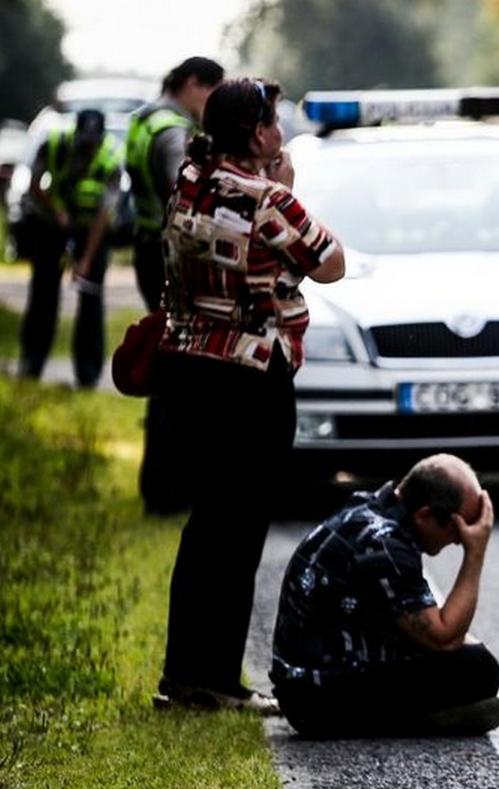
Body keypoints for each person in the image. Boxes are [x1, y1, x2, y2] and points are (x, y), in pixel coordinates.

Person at [152, 78, 346, 714]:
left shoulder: (190, 178)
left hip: (187, 370)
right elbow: (330, 260)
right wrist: (285, 186)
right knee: (239, 531)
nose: (278, 128)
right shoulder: (267, 200)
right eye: (271, 120)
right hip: (251, 376)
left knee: (206, 522)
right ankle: (215, 683)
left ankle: (183, 674)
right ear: (259, 133)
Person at [270, 454, 499, 737]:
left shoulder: (369, 509)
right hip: (319, 703)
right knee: (479, 669)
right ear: (425, 515)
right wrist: (476, 552)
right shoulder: (384, 545)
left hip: (307, 685)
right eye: (457, 528)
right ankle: (417, 721)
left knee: (467, 655)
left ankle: (428, 714)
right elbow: (445, 637)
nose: (460, 539)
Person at [125, 56, 224, 514]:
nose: (211, 104)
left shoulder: (144, 118)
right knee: (177, 374)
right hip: (168, 256)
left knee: (167, 368)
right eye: (210, 92)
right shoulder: (171, 130)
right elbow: (183, 189)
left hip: (148, 247)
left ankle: (161, 486)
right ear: (191, 84)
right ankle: (167, 489)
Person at [17, 108, 123, 388]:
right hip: (52, 224)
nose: (86, 146)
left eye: (92, 141)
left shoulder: (112, 158)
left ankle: (87, 376)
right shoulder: (53, 143)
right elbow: (34, 184)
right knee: (43, 294)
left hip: (93, 230)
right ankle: (32, 363)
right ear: (75, 132)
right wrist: (57, 210)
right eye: (83, 139)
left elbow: (104, 214)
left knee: (90, 298)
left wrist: (86, 260)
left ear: (101, 138)